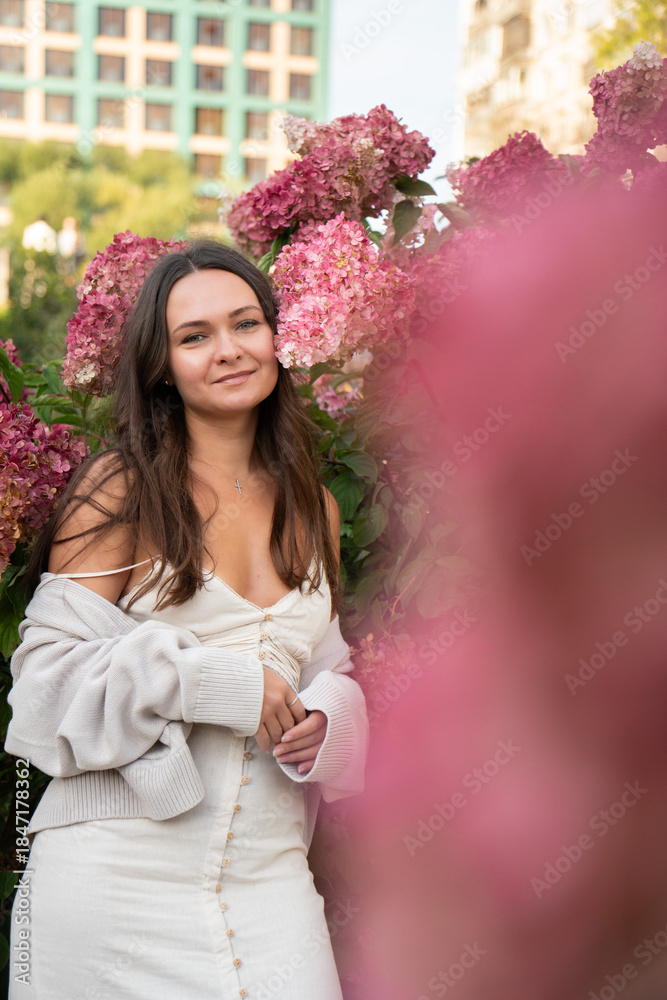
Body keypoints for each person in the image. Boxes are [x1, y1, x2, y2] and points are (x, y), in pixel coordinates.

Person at [5, 239, 369, 999]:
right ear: (161, 366)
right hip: (116, 885)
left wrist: (329, 716)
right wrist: (211, 681)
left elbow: (326, 668)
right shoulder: (122, 489)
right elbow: (41, 685)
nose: (229, 350)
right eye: (195, 336)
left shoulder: (315, 506)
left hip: (272, 881)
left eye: (246, 324)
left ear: (277, 337)